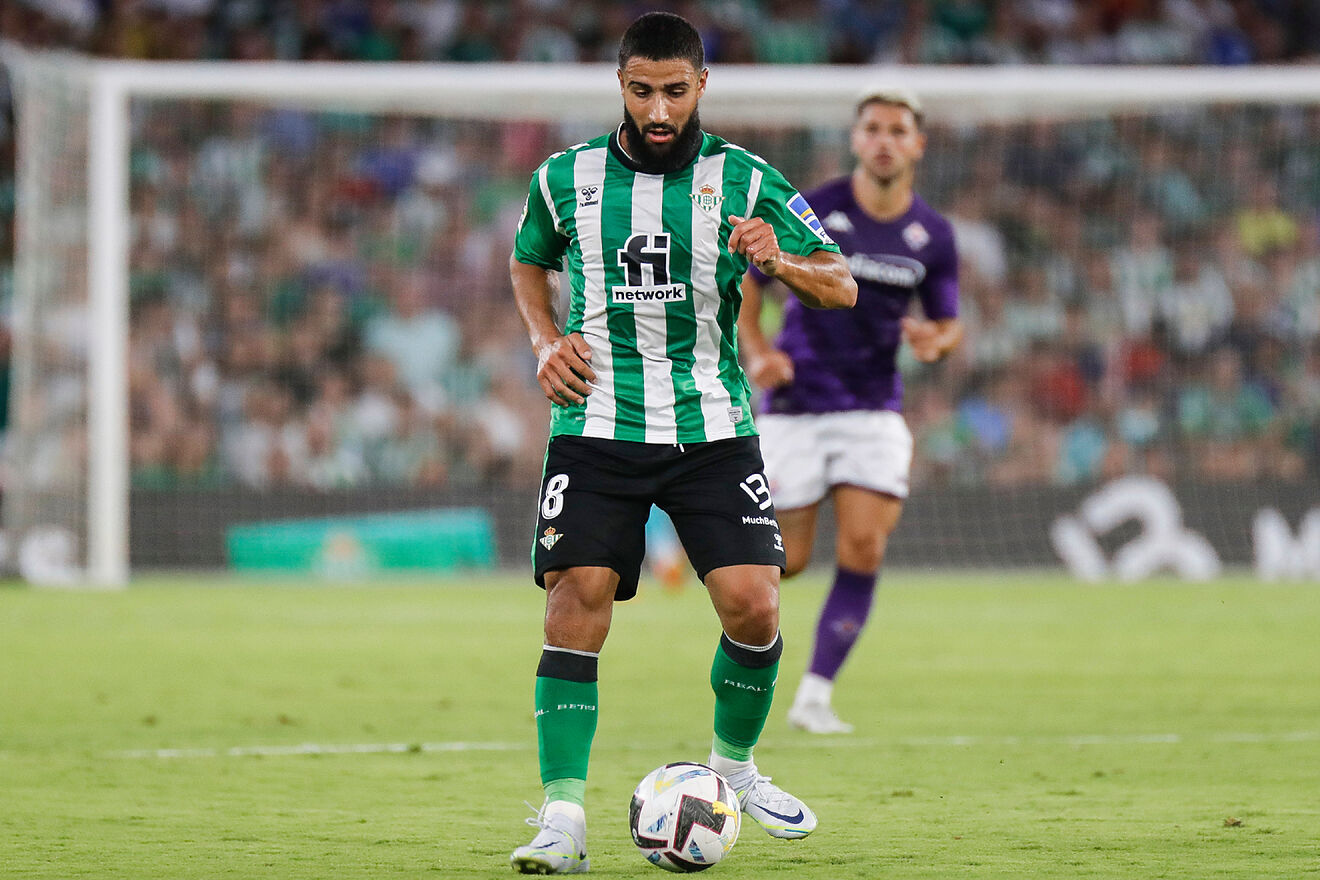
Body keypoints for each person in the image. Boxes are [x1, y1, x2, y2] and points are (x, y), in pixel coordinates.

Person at [507, 12, 856, 874]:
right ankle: (562, 821)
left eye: (673, 90)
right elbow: (527, 261)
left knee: (756, 605)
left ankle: (732, 767)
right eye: (640, 90)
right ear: (619, 85)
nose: (657, 110)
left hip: (710, 426)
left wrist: (781, 262)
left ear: (702, 86)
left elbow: (841, 284)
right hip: (596, 422)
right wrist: (545, 342)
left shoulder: (746, 179)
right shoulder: (566, 178)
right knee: (574, 597)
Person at [737, 88, 963, 735]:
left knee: (864, 542)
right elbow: (752, 284)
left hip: (872, 409)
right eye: (874, 128)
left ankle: (814, 693)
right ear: (856, 140)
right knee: (790, 561)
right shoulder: (814, 208)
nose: (885, 140)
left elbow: (949, 324)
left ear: (917, 144)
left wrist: (935, 341)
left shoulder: (933, 235)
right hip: (795, 406)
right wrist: (756, 353)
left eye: (898, 129)